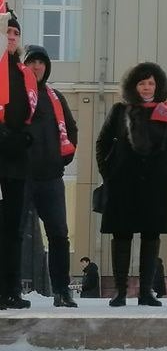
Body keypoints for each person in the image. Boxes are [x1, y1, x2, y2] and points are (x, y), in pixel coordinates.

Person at [95, 62, 167, 307]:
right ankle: (120, 292)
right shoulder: (119, 111)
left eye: (151, 83)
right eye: (142, 83)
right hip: (122, 185)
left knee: (151, 236)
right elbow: (102, 143)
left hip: (156, 186)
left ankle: (146, 292)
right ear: (133, 86)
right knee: (122, 236)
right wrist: (109, 175)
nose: (147, 88)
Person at [22, 45, 78, 307]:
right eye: (32, 62)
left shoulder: (55, 96)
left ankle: (62, 290)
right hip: (21, 177)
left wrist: (63, 159)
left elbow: (71, 129)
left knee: (59, 234)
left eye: (41, 62)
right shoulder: (16, 94)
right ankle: (9, 289)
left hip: (51, 177)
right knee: (13, 233)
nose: (37, 67)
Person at [0, 6, 38, 309]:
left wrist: (22, 138)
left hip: (15, 162)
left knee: (13, 229)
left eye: (15, 33)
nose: (11, 37)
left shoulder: (23, 73)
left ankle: (11, 289)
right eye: (7, 31)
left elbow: (32, 115)